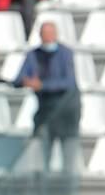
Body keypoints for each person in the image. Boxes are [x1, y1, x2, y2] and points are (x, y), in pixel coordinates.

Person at [14, 21, 81, 175]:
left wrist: (42, 85)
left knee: (68, 152)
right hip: (45, 110)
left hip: (67, 110)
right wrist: (26, 81)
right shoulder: (33, 55)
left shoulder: (65, 53)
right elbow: (18, 79)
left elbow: (69, 82)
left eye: (51, 34)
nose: (49, 38)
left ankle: (67, 189)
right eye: (45, 35)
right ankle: (42, 188)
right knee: (42, 152)